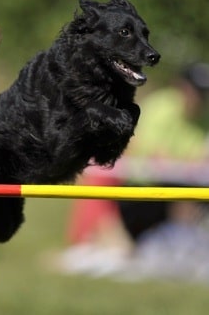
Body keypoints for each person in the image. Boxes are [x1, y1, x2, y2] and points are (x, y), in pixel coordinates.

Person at [56, 63, 209, 281]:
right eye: (196, 91)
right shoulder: (161, 107)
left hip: (179, 189)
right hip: (144, 188)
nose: (199, 98)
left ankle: (184, 249)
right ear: (182, 87)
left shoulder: (203, 118)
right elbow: (149, 152)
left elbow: (198, 158)